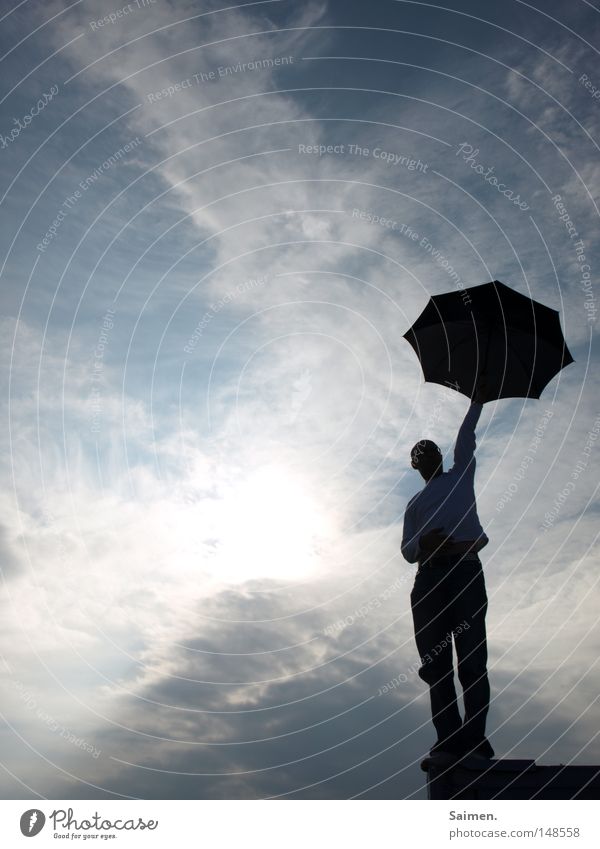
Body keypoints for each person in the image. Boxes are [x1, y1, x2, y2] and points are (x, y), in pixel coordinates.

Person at [401, 380, 494, 763]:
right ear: (415, 465)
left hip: (464, 572)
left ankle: (474, 738)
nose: (427, 457)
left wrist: (478, 400)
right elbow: (407, 550)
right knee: (435, 665)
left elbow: (467, 437)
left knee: (471, 658)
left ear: (440, 456)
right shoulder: (415, 503)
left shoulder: (460, 475)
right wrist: (426, 544)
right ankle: (448, 737)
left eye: (431, 451)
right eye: (420, 456)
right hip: (428, 579)